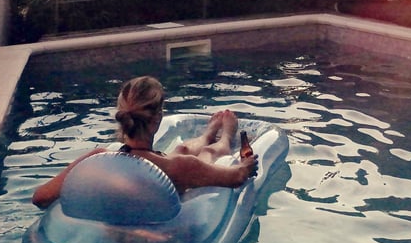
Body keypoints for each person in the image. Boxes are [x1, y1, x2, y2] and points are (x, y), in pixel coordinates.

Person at [32, 75, 259, 208]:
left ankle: (209, 132)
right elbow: (238, 177)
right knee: (207, 154)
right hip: (159, 232)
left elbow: (40, 198)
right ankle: (224, 135)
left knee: (180, 149)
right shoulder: (180, 168)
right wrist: (248, 164)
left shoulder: (95, 159)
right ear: (158, 117)